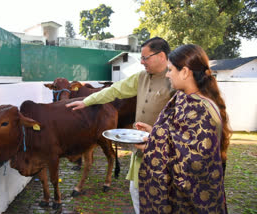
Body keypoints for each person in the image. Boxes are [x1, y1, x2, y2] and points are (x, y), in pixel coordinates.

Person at [66, 37, 175, 214]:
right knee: (136, 191)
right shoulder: (141, 77)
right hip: (140, 151)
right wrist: (86, 101)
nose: (141, 62)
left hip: (164, 155)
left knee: (161, 198)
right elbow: (115, 90)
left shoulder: (175, 80)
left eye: (145, 58)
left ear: (161, 56)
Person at [135, 44, 231, 213]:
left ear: (185, 72)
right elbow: (179, 138)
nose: (167, 74)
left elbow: (192, 162)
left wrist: (151, 146)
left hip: (193, 203)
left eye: (171, 70)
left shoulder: (201, 110)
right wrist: (154, 133)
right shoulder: (184, 98)